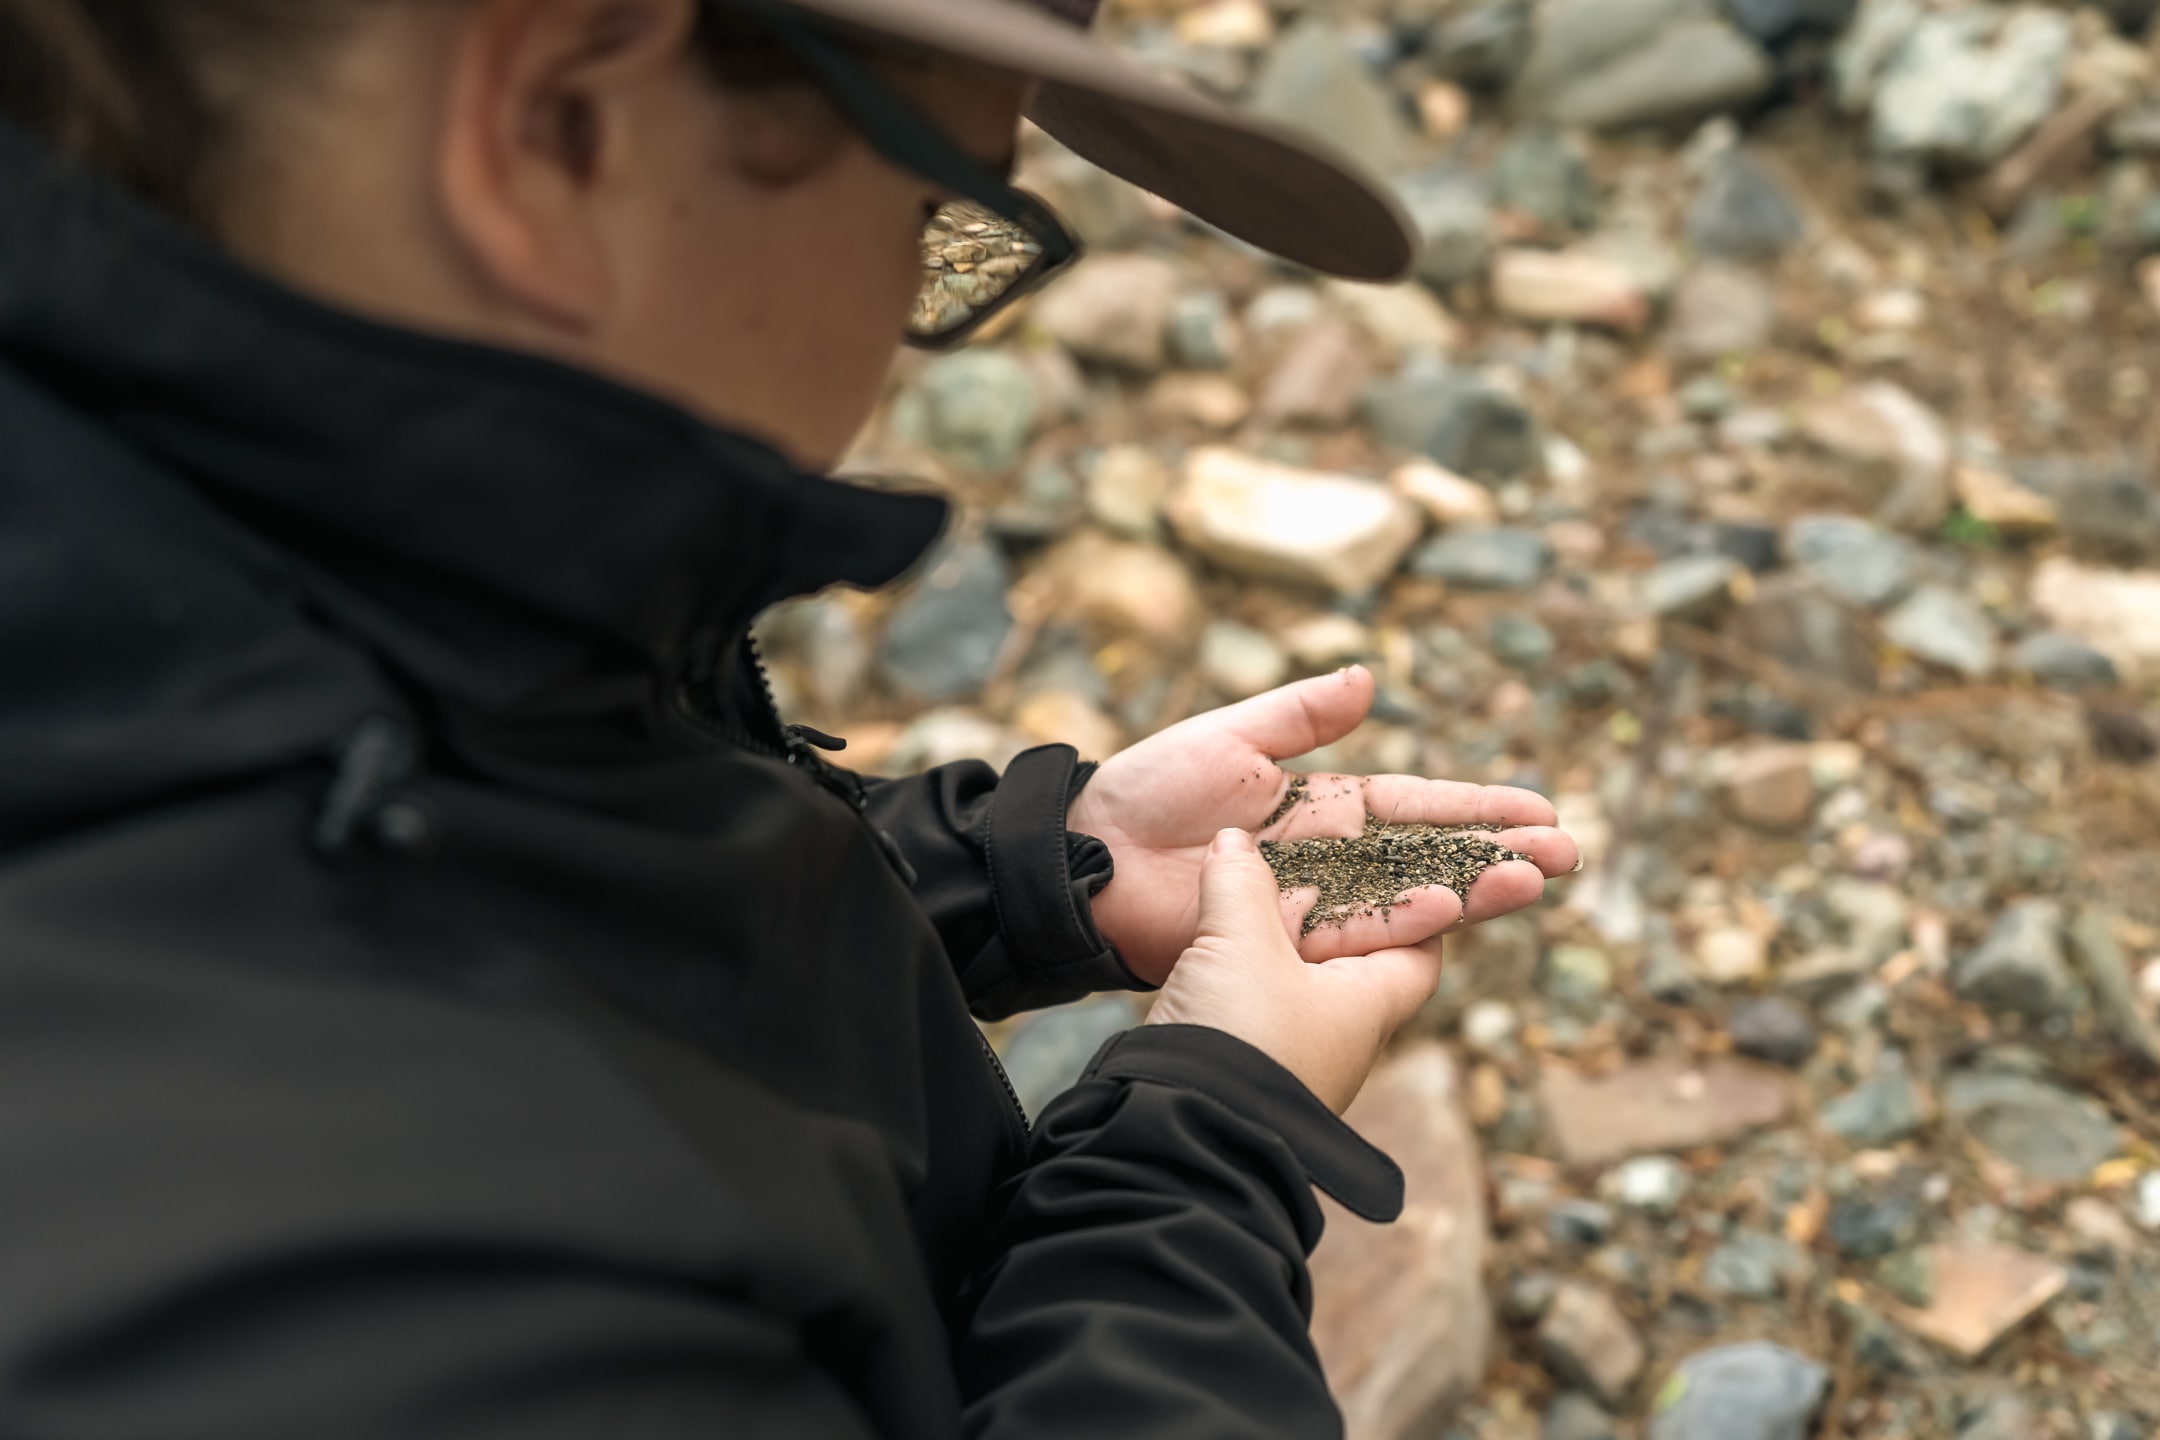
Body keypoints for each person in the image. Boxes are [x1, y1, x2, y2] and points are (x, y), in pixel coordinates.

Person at [0, 0, 1580, 1434]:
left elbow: (525, 880)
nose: (910, 320)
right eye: (939, 214)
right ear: (561, 117)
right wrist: (1207, 1140)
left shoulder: (236, 545)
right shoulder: (309, 1298)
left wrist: (1028, 866)